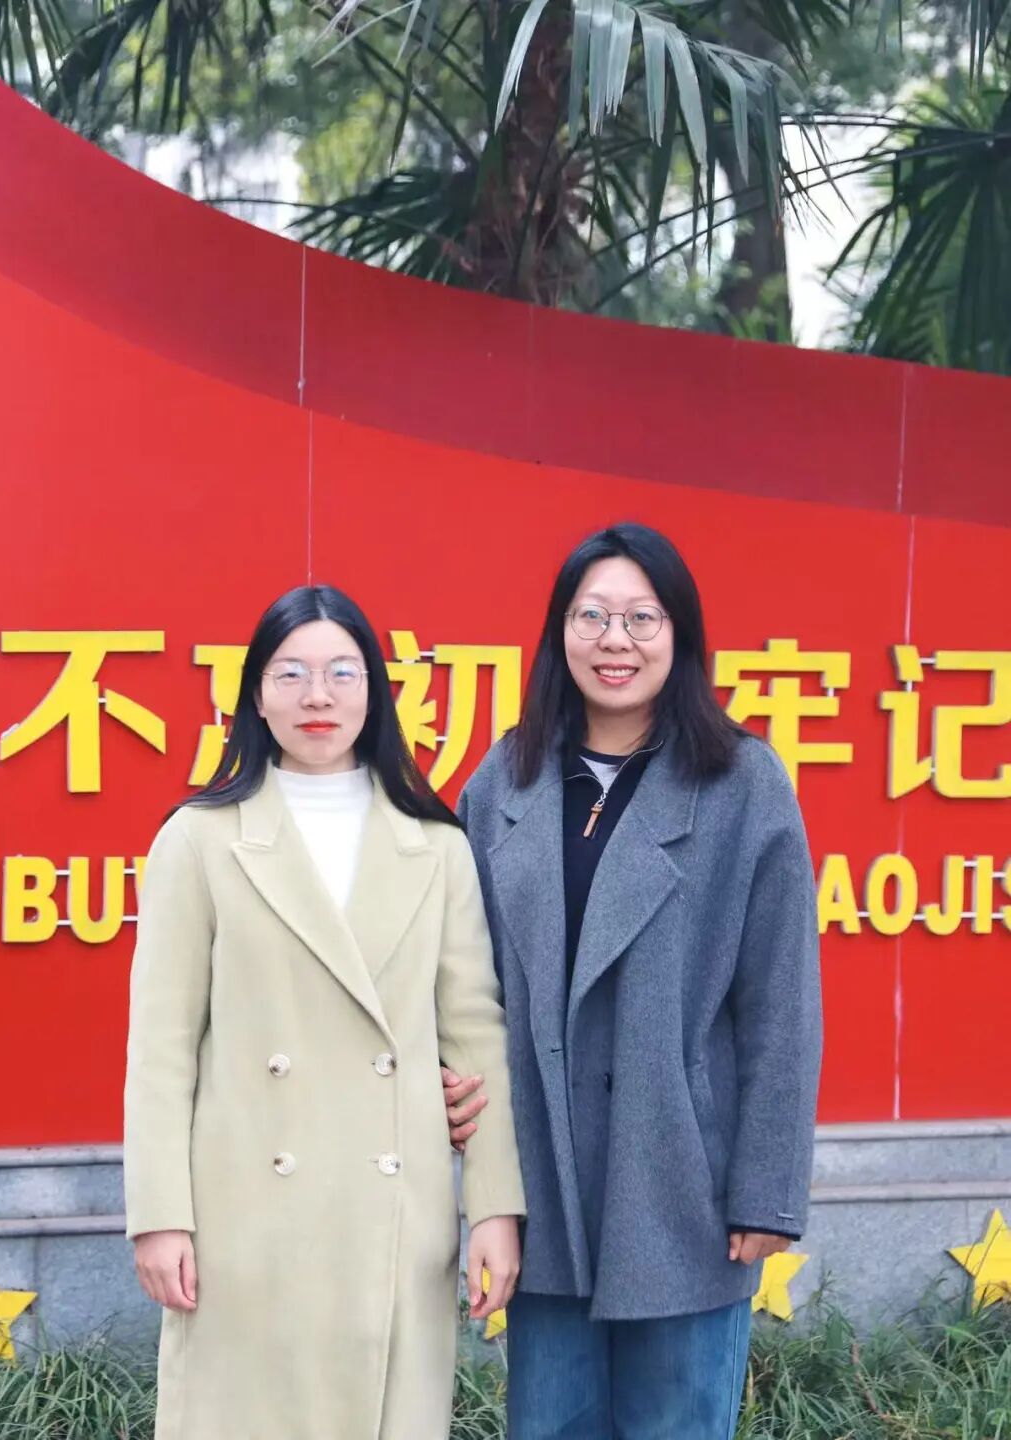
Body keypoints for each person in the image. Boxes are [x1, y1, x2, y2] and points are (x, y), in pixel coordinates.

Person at [123, 584, 524, 1440]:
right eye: (291, 673)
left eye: (343, 672)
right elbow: (161, 1049)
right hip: (242, 1221)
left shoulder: (437, 846)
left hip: (394, 1219)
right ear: (256, 696)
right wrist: (159, 1218)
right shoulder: (199, 839)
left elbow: (476, 1036)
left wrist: (494, 1207)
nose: (318, 695)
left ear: (374, 692)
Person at [448, 523, 822, 1440]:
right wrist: (450, 1089)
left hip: (683, 1179)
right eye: (593, 617)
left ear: (679, 634)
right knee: (551, 1424)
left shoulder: (742, 784)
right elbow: (461, 977)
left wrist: (766, 1190)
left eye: (641, 618)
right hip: (546, 1179)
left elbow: (781, 1004)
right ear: (560, 632)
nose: (615, 641)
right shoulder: (507, 779)